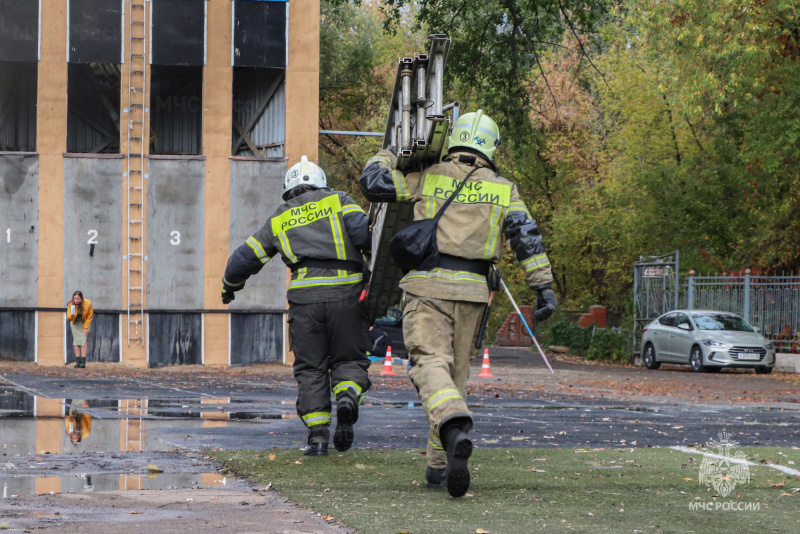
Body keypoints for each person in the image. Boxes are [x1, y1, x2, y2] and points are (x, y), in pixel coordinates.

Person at [360, 110, 557, 497]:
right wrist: (543, 288)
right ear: (491, 146)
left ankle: (451, 425)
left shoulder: (429, 174)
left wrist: (388, 153)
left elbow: (373, 184)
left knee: (430, 365)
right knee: (456, 381)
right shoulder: (504, 188)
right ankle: (439, 465)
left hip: (427, 286)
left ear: (455, 141)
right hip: (472, 293)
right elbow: (526, 239)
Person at [221, 156, 373, 457]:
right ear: (321, 181)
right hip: (347, 294)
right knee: (348, 359)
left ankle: (317, 439)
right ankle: (347, 397)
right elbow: (363, 233)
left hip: (304, 300)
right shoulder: (338, 200)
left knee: (310, 367)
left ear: (288, 189)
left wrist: (230, 287)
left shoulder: (280, 217)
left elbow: (245, 257)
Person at [66, 291, 93, 369]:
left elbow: (89, 316)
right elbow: (68, 318)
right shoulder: (71, 304)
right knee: (76, 341)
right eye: (74, 299)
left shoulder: (88, 303)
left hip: (85, 323)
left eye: (78, 299)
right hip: (75, 324)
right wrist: (71, 315)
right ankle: (78, 361)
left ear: (81, 298)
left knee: (83, 340)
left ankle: (83, 362)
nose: (76, 301)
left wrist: (85, 328)